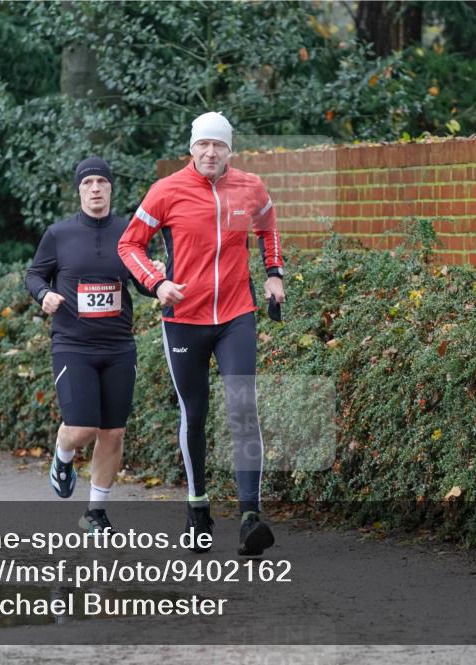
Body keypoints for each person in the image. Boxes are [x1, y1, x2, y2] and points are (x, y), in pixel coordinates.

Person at [118, 112, 285, 556]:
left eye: (220, 145)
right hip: (184, 318)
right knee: (195, 413)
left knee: (243, 406)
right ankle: (197, 508)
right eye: (203, 145)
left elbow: (268, 226)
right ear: (191, 148)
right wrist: (157, 284)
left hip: (236, 314)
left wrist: (274, 274)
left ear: (231, 149)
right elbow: (129, 245)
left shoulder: (250, 186)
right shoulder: (166, 191)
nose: (211, 152)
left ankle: (250, 516)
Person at [26, 157, 162, 534]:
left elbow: (140, 281)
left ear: (111, 188)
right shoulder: (60, 233)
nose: (96, 188)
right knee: (82, 427)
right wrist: (44, 295)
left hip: (119, 346)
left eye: (102, 181)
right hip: (73, 345)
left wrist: (158, 279)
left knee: (113, 432)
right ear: (80, 190)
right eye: (88, 183)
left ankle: (96, 511)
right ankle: (64, 454)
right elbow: (35, 273)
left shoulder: (129, 232)